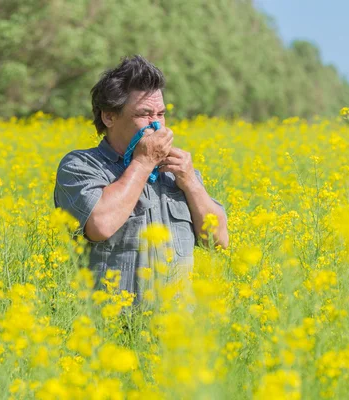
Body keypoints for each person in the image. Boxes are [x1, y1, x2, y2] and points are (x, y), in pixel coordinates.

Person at [53, 55, 229, 305]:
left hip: (176, 333)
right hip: (112, 329)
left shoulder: (178, 172)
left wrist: (191, 183)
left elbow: (220, 242)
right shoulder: (81, 166)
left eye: (161, 113)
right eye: (145, 114)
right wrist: (143, 162)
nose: (156, 124)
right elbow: (100, 225)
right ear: (109, 117)